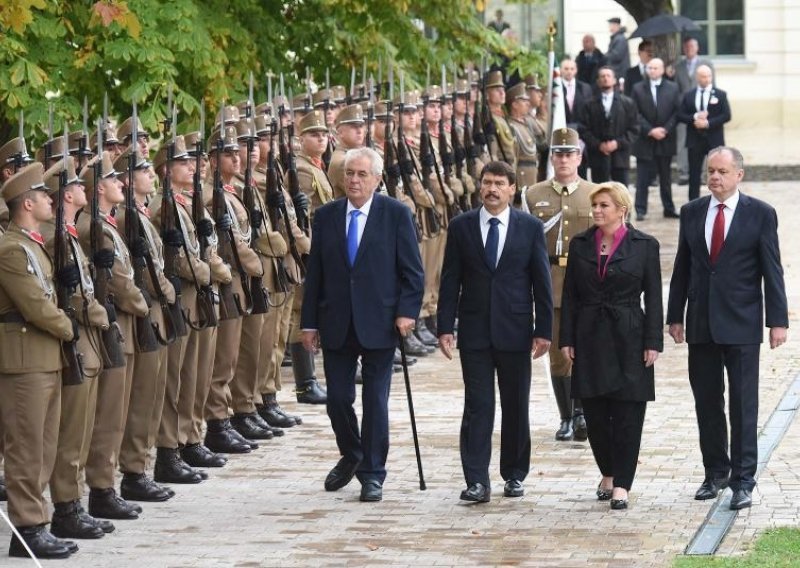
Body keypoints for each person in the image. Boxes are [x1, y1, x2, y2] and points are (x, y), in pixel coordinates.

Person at [667, 146, 789, 511]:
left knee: (742, 406)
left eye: (722, 171)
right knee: (707, 403)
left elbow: (773, 269)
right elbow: (682, 267)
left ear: (739, 175)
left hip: (742, 324)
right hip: (701, 324)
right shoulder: (691, 212)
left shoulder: (761, 215)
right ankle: (716, 472)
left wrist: (777, 321)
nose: (714, 177)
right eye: (710, 171)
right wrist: (675, 316)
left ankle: (743, 481)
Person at [301, 147, 424, 503]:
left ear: (377, 179)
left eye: (362, 174)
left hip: (381, 323)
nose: (354, 180)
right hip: (336, 321)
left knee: (375, 402)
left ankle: (372, 474)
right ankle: (353, 451)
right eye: (350, 174)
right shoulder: (326, 216)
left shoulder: (396, 214)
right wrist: (309, 323)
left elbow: (413, 272)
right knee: (337, 399)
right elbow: (316, 275)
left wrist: (407, 312)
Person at [438, 160, 552, 503]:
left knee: (515, 404)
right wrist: (445, 327)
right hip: (474, 331)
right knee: (478, 405)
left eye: (499, 183)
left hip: (516, 331)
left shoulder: (530, 227)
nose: (492, 189)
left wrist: (543, 329)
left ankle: (515, 474)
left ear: (512, 189)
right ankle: (476, 480)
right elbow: (450, 281)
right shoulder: (461, 227)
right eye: (487, 182)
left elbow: (541, 282)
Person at [559, 182, 663, 510]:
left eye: (605, 205)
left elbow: (655, 298)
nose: (598, 211)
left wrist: (653, 341)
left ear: (622, 209)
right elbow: (571, 296)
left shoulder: (645, 245)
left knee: (629, 411)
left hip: (629, 335)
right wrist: (567, 338)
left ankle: (622, 484)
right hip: (589, 335)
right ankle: (607, 470)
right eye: (596, 205)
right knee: (595, 411)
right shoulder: (579, 245)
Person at [0, 163, 77, 559]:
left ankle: (37, 522)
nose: (52, 199)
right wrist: (71, 326)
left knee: (45, 446)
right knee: (27, 448)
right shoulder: (11, 249)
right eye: (44, 195)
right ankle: (28, 528)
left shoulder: (32, 245)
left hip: (44, 357)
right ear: (27, 203)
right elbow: (35, 306)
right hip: (25, 359)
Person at [523, 128, 596, 442]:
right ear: (551, 157)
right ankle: (566, 416)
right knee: (557, 354)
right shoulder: (533, 194)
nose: (564, 159)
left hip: (585, 282)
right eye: (559, 153)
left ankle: (582, 412)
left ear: (579, 157)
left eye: (570, 153)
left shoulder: (595, 192)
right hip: (550, 282)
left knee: (585, 350)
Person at [630, 58, 680, 220]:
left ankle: (668, 208)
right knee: (642, 178)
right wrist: (650, 130)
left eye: (655, 68)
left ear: (662, 69)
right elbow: (635, 113)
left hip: (666, 139)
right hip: (645, 140)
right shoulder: (637, 88)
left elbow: (676, 112)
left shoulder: (672, 88)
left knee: (665, 177)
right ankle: (640, 209)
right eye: (649, 68)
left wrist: (665, 129)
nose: (652, 70)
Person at [677, 65, 731, 201]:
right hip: (695, 140)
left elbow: (726, 115)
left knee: (719, 172)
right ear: (697, 77)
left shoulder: (720, 94)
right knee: (694, 174)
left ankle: (720, 200)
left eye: (708, 76)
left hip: (714, 140)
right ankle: (693, 203)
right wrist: (695, 117)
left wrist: (708, 123)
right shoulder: (689, 95)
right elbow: (680, 115)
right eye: (703, 76)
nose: (706, 79)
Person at [579, 66, 639, 185]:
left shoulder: (627, 103)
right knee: (600, 191)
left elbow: (634, 129)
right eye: (602, 76)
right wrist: (599, 145)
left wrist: (617, 143)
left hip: (620, 157)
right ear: (598, 81)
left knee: (621, 196)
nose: (605, 78)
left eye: (608, 76)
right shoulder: (589, 105)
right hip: (598, 157)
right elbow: (584, 129)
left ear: (614, 80)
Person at [673, 37, 715, 185]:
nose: (689, 49)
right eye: (686, 46)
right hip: (685, 110)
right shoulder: (678, 66)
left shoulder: (707, 64)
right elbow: (675, 89)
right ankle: (684, 173)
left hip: (703, 110)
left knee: (703, 142)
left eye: (692, 46)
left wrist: (709, 110)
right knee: (682, 141)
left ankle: (704, 173)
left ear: (697, 48)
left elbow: (712, 86)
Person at [606, 17, 630, 82]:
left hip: (619, 72)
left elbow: (617, 56)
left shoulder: (620, 39)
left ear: (616, 25)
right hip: (617, 71)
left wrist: (605, 56)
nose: (609, 27)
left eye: (611, 24)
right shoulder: (617, 38)